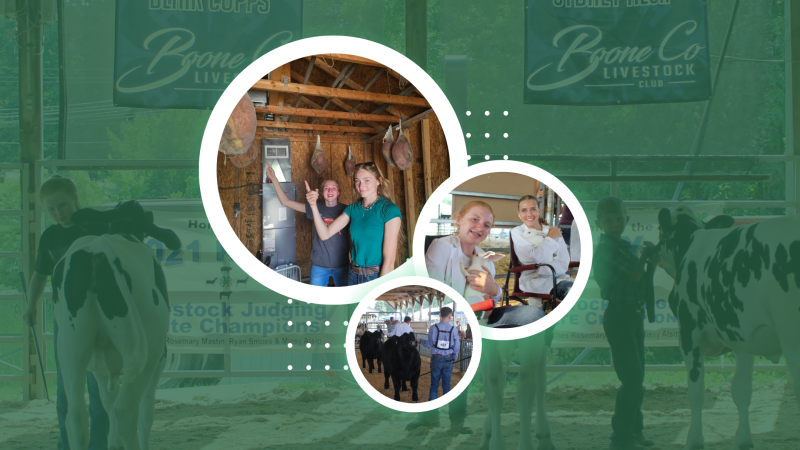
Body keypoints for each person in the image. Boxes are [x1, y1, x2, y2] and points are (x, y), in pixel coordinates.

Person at [22, 176, 110, 450]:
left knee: (100, 386)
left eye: (63, 205)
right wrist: (31, 305)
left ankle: (99, 443)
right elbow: (40, 275)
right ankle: (67, 443)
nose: (58, 213)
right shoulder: (51, 236)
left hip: (102, 318)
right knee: (66, 388)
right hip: (66, 320)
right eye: (51, 209)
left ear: (75, 199)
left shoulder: (98, 227)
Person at [593, 196, 657, 450]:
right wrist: (644, 257)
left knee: (636, 376)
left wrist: (646, 259)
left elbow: (640, 277)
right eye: (609, 220)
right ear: (600, 224)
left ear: (626, 219)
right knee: (633, 377)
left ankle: (634, 431)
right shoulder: (607, 249)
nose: (615, 223)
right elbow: (634, 275)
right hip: (619, 316)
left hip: (632, 314)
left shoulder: (623, 246)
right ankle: (620, 435)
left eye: (619, 218)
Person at [306, 162, 402, 285]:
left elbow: (389, 262)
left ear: (379, 181)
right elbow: (325, 234)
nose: (361, 185)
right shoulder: (352, 209)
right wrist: (313, 206)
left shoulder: (389, 210)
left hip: (375, 277)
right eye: (357, 181)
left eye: (366, 180)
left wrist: (381, 291)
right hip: (352, 275)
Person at [265, 165, 350, 287]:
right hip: (319, 266)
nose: (330, 191)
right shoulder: (315, 208)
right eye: (326, 188)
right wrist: (273, 178)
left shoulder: (347, 210)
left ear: (339, 192)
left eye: (333, 188)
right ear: (321, 192)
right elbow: (285, 202)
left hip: (342, 265)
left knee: (345, 302)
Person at [425, 201, 502, 313]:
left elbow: (490, 305)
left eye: (486, 225)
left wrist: (494, 290)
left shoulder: (486, 259)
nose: (480, 227)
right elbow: (434, 294)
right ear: (459, 220)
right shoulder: (441, 246)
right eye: (475, 219)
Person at [512, 195, 572, 297]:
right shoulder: (518, 232)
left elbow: (564, 262)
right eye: (524, 210)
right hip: (534, 280)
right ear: (519, 214)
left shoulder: (553, 230)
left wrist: (542, 268)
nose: (529, 214)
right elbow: (532, 258)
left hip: (558, 276)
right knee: (569, 290)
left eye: (533, 209)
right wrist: (549, 238)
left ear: (539, 211)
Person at [417, 307, 460, 401]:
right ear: (450, 316)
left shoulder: (433, 328)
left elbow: (429, 344)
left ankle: (432, 411)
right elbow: (456, 348)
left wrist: (420, 341)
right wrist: (454, 358)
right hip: (448, 359)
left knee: (434, 385)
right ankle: (446, 407)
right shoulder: (454, 330)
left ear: (440, 315)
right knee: (446, 385)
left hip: (436, 359)